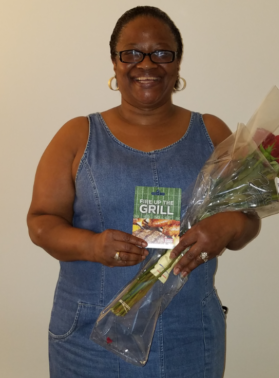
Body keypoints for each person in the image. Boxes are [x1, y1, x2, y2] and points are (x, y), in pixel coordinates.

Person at [27, 6, 260, 378]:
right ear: (115, 62)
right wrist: (90, 245)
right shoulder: (76, 136)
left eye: (161, 53)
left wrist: (230, 225)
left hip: (190, 331)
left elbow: (249, 219)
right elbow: (40, 223)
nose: (146, 64)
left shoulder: (212, 133)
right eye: (132, 52)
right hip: (89, 335)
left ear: (177, 61)